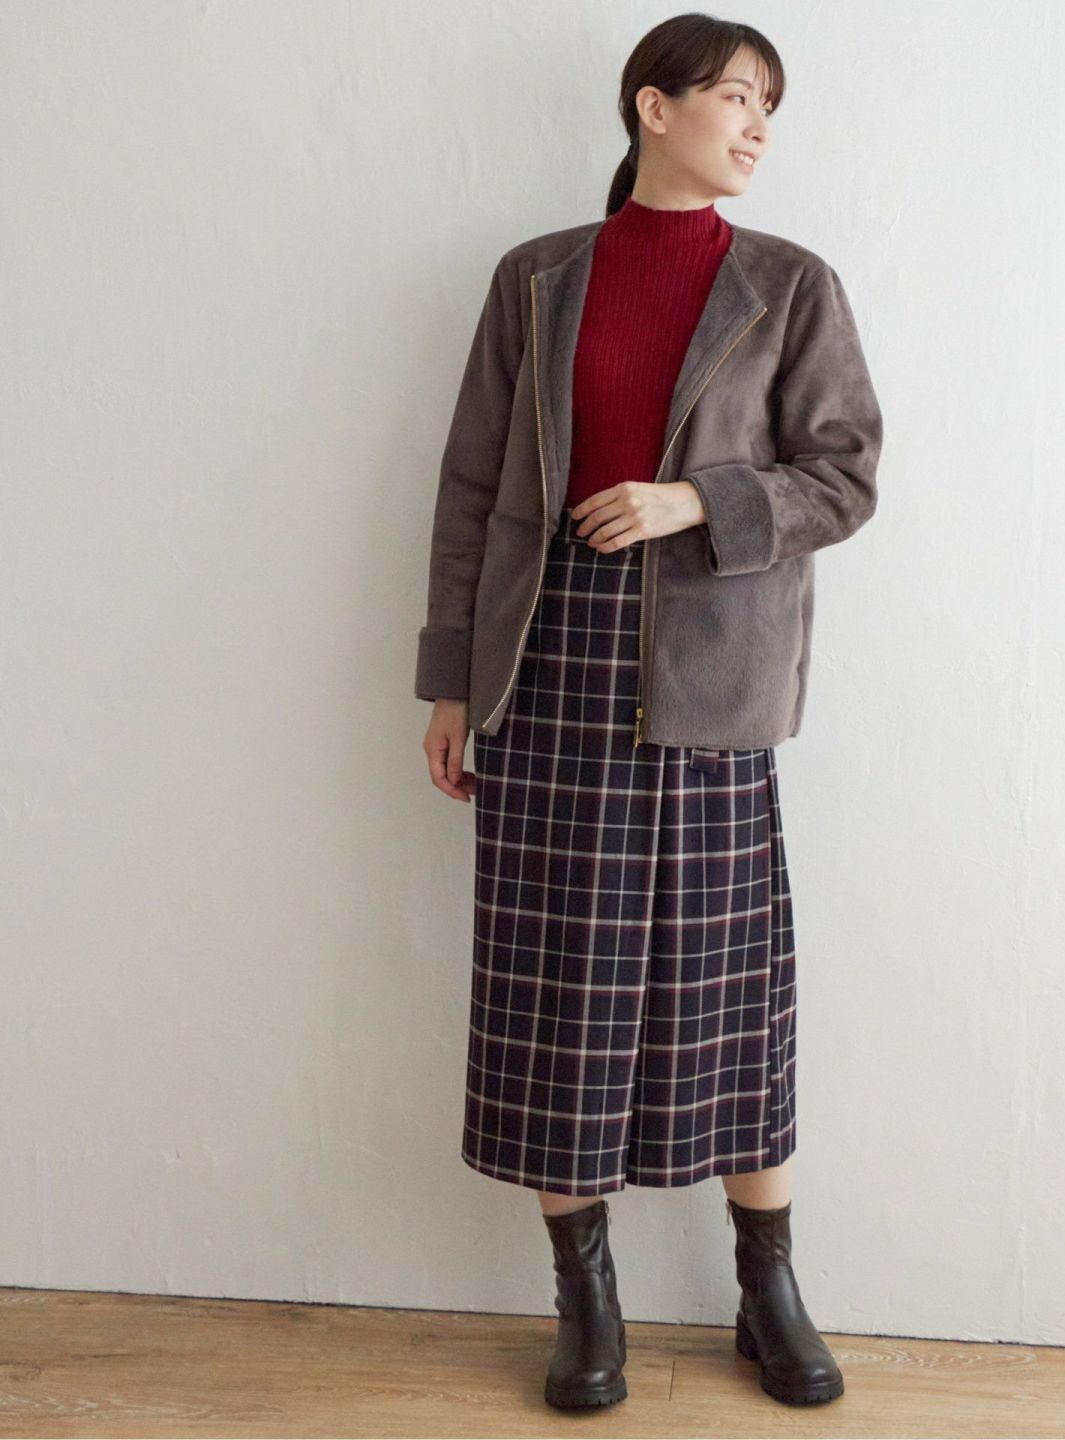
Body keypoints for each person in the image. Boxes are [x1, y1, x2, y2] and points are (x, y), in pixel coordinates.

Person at [415, 12, 883, 1413]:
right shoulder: (537, 277)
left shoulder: (790, 285)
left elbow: (846, 476)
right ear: (652, 106)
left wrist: (694, 501)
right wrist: (451, 679)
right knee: (557, 983)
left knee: (730, 986)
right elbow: (471, 483)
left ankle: (767, 1285)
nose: (758, 126)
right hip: (546, 655)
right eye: (736, 96)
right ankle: (586, 1300)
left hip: (713, 672)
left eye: (769, 105)